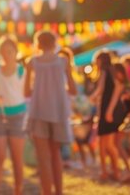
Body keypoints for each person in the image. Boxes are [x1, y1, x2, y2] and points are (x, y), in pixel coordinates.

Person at [25, 30, 77, 195]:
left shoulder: (32, 62)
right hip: (59, 111)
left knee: (43, 158)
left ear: (37, 44)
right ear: (55, 43)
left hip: (39, 111)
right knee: (56, 155)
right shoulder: (63, 61)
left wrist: (41, 88)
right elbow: (73, 89)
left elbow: (26, 92)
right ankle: (59, 192)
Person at [0, 35, 26, 195]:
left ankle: (18, 191)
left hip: (18, 116)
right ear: (0, 53)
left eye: (10, 51)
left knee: (17, 159)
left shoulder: (22, 71)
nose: (7, 54)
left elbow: (28, 94)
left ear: (16, 52)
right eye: (4, 51)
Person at [89, 51, 126, 181]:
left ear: (101, 61)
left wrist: (91, 99)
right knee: (105, 144)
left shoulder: (105, 72)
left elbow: (100, 90)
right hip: (107, 110)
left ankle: (110, 171)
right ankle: (111, 171)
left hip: (107, 111)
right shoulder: (112, 71)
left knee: (106, 145)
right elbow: (115, 90)